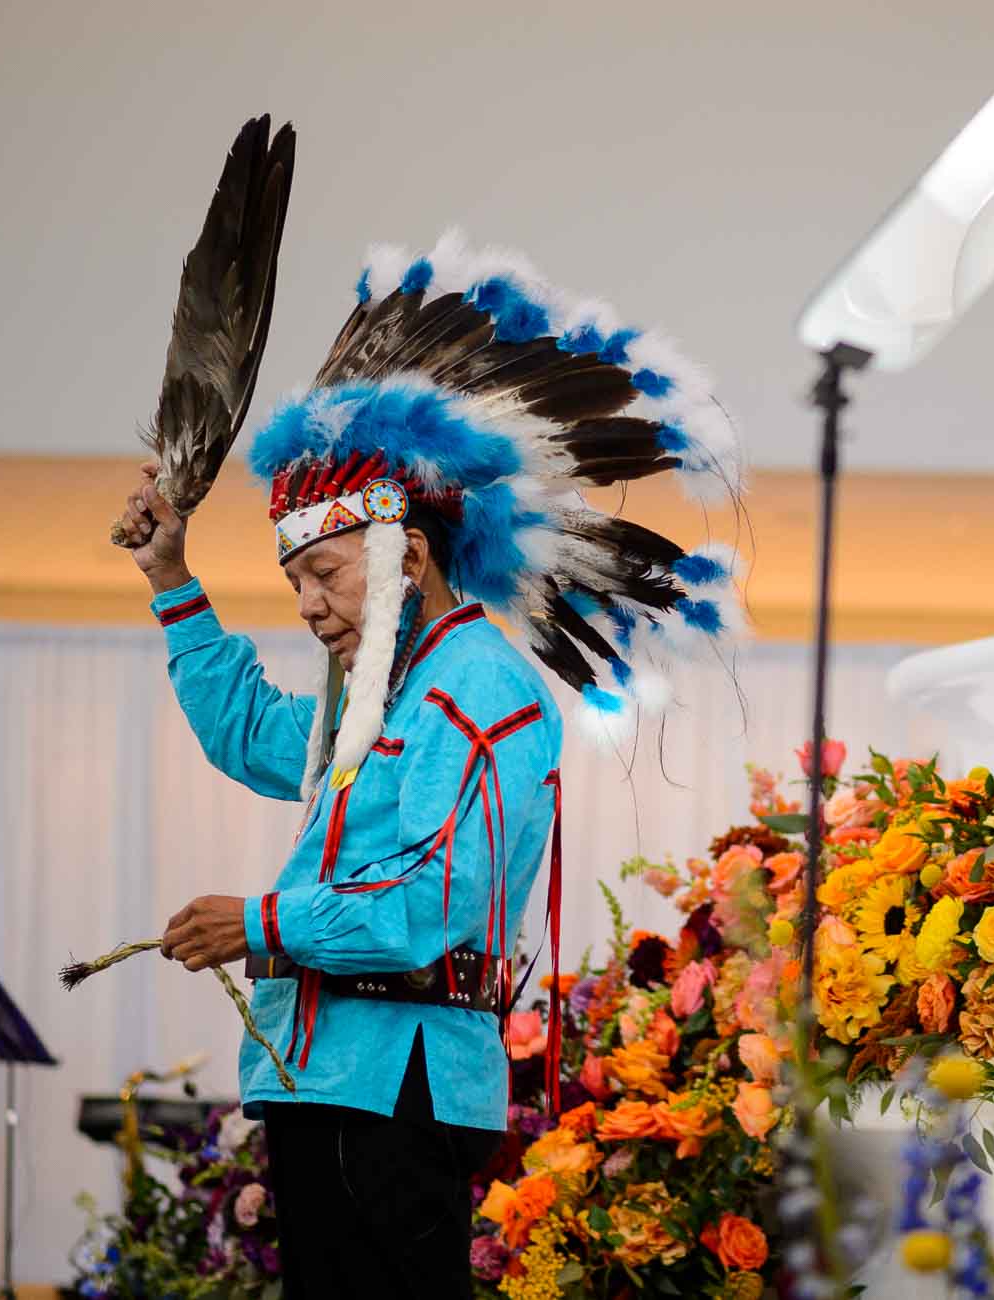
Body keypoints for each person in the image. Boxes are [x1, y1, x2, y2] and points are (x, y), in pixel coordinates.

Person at [120, 231, 743, 1298]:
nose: (310, 604)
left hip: (395, 1092)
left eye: (324, 573)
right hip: (338, 1080)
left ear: (405, 553)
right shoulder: (388, 693)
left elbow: (422, 905)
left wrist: (257, 922)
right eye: (297, 582)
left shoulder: (483, 694)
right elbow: (254, 735)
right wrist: (172, 576)